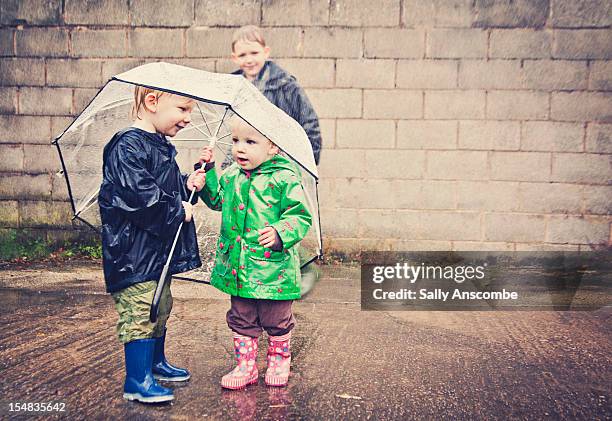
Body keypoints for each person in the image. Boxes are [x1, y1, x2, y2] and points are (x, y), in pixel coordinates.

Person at [98, 87, 206, 403]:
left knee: (160, 306)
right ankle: (137, 380)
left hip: (156, 251)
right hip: (133, 252)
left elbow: (165, 186)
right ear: (152, 102)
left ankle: (155, 363)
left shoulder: (158, 144)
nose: (187, 119)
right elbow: (139, 196)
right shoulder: (128, 146)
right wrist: (177, 210)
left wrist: (188, 183)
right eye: (183, 109)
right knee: (141, 310)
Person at [197, 116, 312, 389]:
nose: (240, 149)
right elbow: (217, 200)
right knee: (241, 316)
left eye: (250, 142)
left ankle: (279, 360)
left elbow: (300, 216)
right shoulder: (232, 176)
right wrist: (208, 174)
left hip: (272, 268)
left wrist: (281, 232)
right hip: (238, 264)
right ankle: (245, 366)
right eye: (235, 141)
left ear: (272, 147)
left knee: (276, 318)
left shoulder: (285, 178)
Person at [230, 24, 322, 296]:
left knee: (287, 219)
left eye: (254, 52)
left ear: (266, 52)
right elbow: (234, 132)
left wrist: (301, 166)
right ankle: (253, 281)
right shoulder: (234, 88)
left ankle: (302, 269)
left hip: (280, 167)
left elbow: (309, 125)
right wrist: (228, 165)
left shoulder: (285, 85)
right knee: (255, 225)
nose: (249, 59)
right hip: (250, 170)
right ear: (234, 58)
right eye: (243, 54)